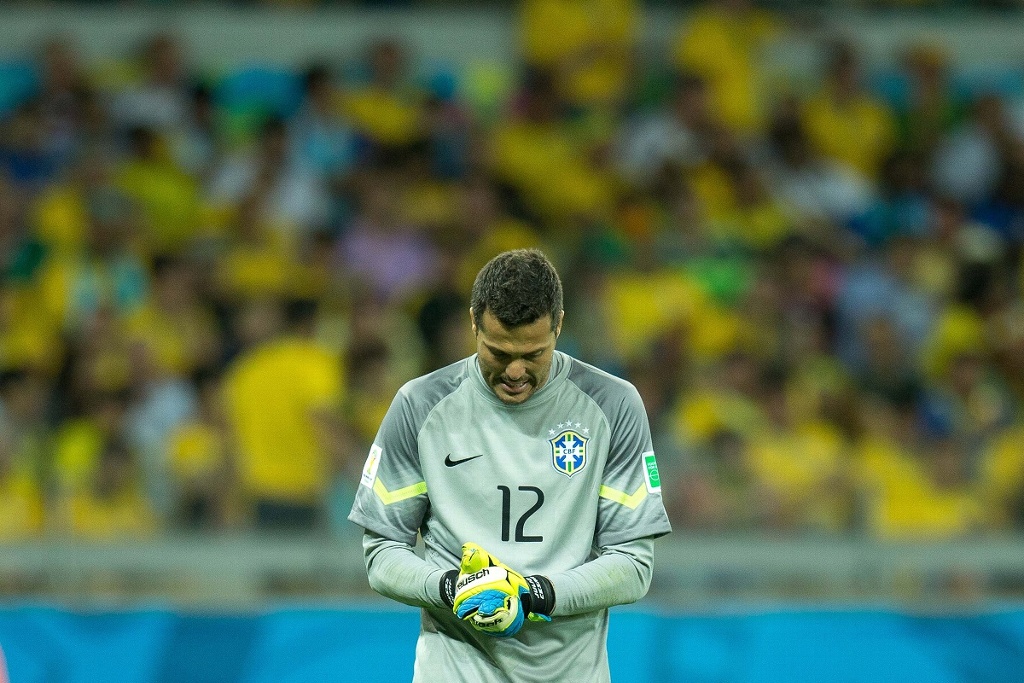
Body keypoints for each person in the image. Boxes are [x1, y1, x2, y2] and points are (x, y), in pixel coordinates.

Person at [348, 248, 672, 682]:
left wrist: (535, 594)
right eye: (498, 353)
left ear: (559, 324)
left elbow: (633, 565)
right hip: (456, 667)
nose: (515, 371)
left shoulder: (613, 405)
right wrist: (453, 588)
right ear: (473, 323)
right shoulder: (420, 405)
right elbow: (383, 554)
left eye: (534, 354)